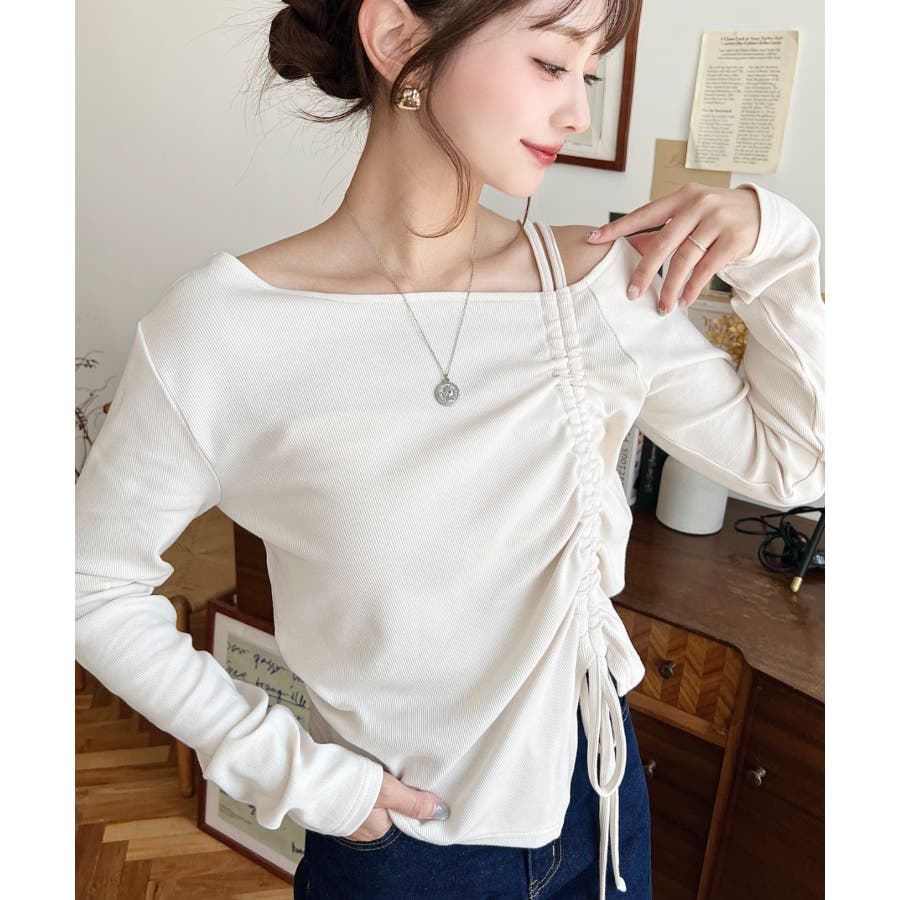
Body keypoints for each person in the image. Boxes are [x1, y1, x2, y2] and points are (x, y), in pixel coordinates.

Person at [74, 0, 825, 897]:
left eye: (590, 74)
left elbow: (800, 462)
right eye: (551, 64)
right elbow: (87, 584)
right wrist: (294, 771)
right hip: (407, 848)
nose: (578, 111)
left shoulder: (596, 290)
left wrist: (778, 242)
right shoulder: (223, 333)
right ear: (398, 38)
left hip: (600, 798)